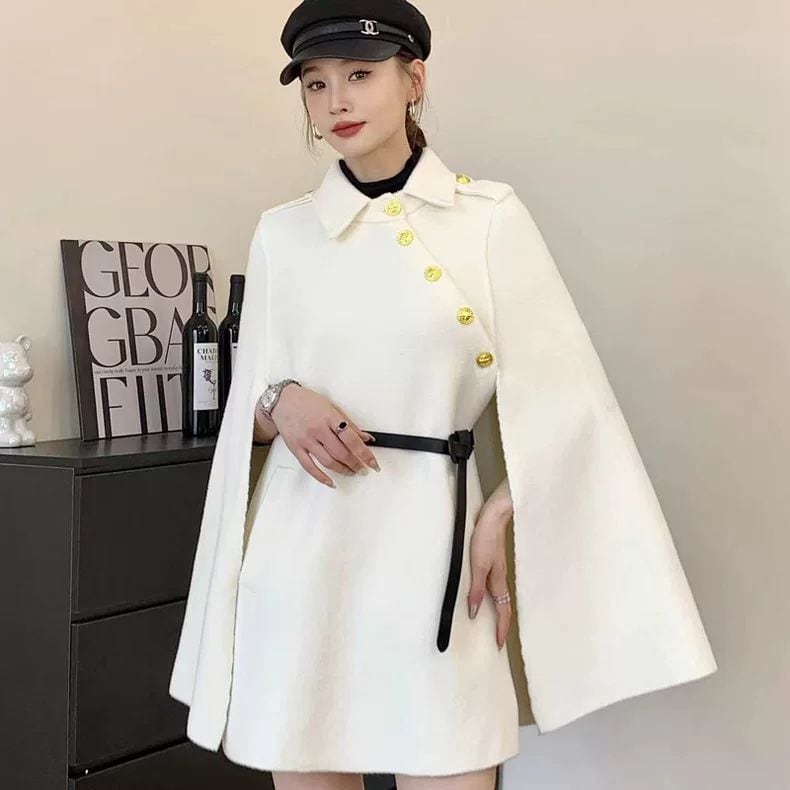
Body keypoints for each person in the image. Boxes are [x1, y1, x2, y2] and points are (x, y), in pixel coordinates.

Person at [169, 1, 718, 788]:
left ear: (414, 80)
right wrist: (279, 399)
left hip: (436, 550)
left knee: (451, 753)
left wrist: (500, 509)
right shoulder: (282, 234)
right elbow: (247, 420)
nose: (337, 102)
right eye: (316, 84)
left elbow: (572, 401)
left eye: (360, 75)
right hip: (302, 553)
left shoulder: (488, 219)